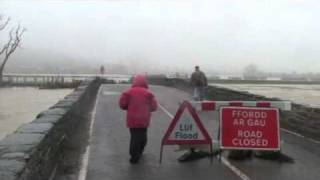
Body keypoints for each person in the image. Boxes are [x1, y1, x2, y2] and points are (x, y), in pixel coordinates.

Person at [119, 74, 158, 164]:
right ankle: (140, 150)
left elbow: (122, 104)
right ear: (145, 82)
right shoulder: (148, 93)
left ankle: (134, 156)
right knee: (143, 135)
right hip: (144, 118)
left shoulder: (128, 92)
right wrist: (147, 109)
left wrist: (128, 107)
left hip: (132, 119)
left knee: (134, 136)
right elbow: (154, 107)